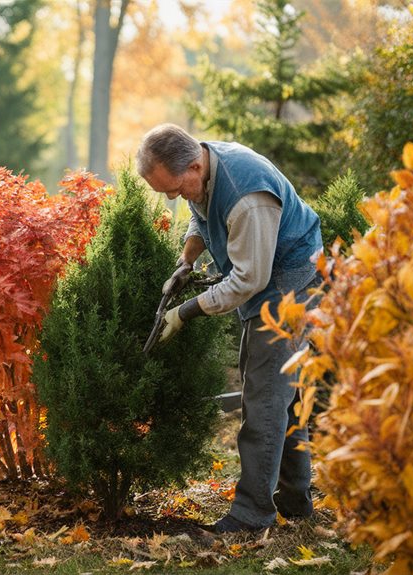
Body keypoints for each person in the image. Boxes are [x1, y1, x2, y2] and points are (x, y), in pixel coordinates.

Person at [137, 123, 323, 534]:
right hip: (269, 279)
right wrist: (187, 261)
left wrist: (186, 312)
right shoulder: (203, 169)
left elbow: (248, 280)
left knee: (264, 402)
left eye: (173, 188)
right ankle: (295, 501)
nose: (173, 197)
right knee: (282, 398)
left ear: (194, 164)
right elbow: (200, 213)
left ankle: (252, 514)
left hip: (287, 286)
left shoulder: (247, 197)